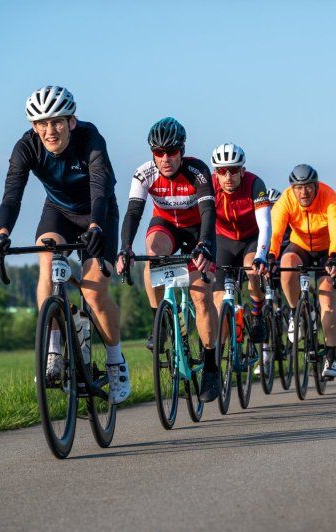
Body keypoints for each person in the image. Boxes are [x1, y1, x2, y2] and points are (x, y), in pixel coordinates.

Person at [0, 86, 130, 403]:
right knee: (48, 267)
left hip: (99, 211)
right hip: (58, 212)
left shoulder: (90, 138)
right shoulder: (26, 147)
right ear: (34, 127)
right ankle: (52, 348)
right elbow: (12, 194)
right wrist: (1, 234)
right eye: (42, 124)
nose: (50, 130)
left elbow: (100, 184)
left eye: (57, 122)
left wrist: (95, 226)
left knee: (93, 290)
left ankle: (116, 360)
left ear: (71, 122)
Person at [115, 117, 220, 402]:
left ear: (181, 150)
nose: (165, 158)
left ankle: (211, 365)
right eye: (158, 152)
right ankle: (159, 322)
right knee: (152, 251)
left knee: (201, 297)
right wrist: (124, 247)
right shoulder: (144, 173)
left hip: (197, 229)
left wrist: (205, 245)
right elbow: (134, 213)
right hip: (166, 227)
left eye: (171, 151)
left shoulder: (197, 171)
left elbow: (209, 212)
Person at [268, 164, 336, 379]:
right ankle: (297, 314)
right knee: (286, 266)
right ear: (292, 188)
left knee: (327, 301)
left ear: (316, 185)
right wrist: (272, 255)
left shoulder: (330, 197)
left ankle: (331, 356)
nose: (304, 192)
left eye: (309, 187)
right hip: (300, 245)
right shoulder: (286, 199)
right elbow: (276, 231)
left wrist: (334, 257)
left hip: (326, 250)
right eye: (299, 188)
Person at [206, 143, 272, 375]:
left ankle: (256, 313)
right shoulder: (210, 185)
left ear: (242, 171)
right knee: (217, 302)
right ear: (216, 173)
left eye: (233, 170)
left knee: (251, 269)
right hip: (223, 240)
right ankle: (218, 354)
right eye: (222, 171)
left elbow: (265, 224)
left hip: (251, 239)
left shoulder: (255, 184)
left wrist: (262, 255)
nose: (228, 176)